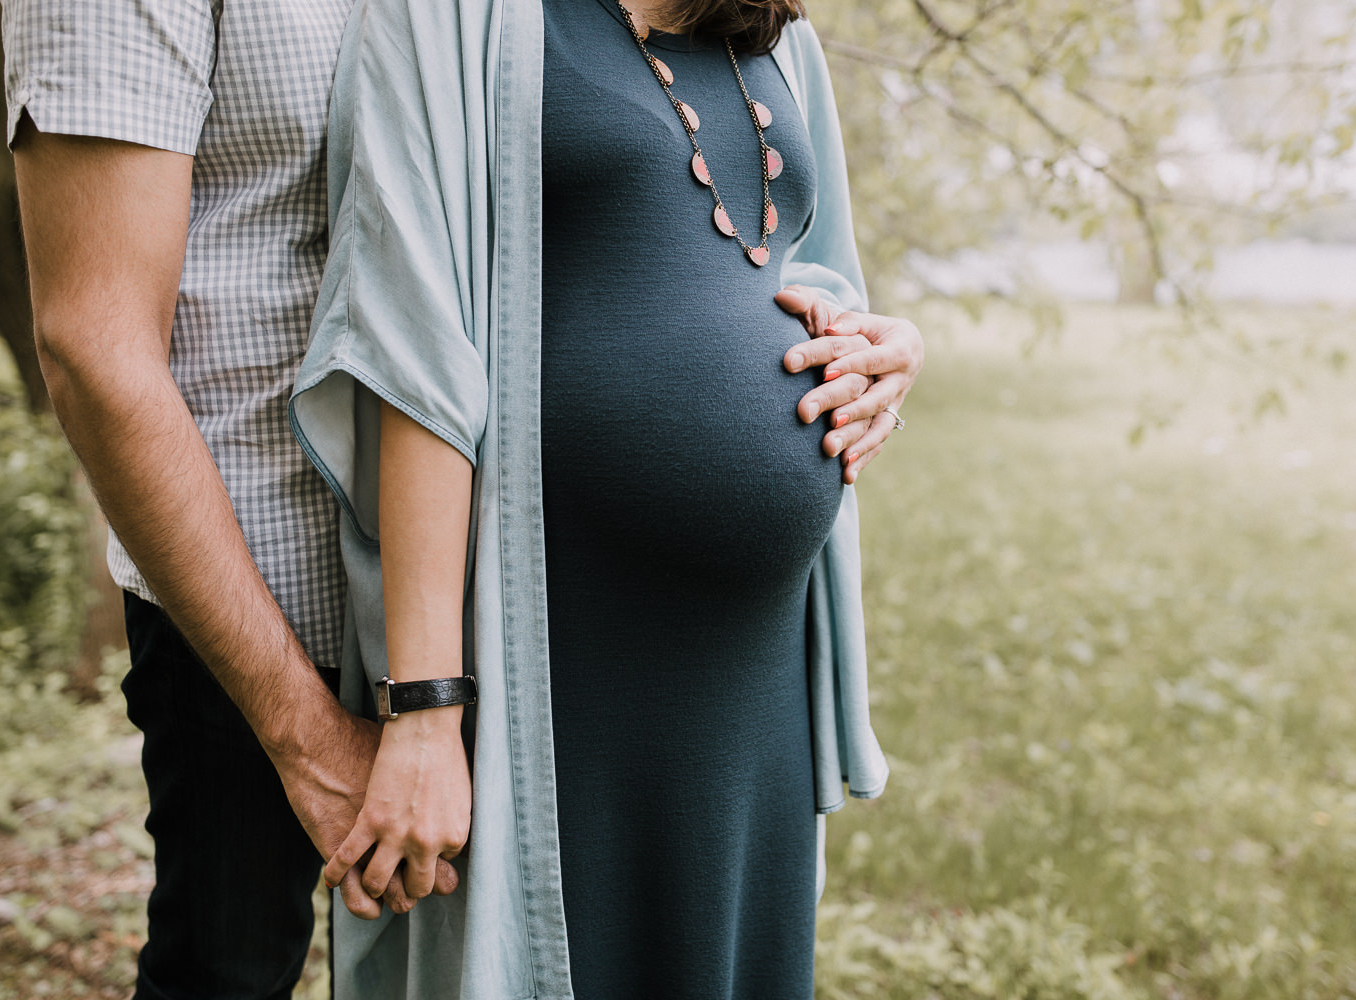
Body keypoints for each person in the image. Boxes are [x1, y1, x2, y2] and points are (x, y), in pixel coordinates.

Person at [1, 1, 923, 998]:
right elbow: (97, 348)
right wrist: (332, 729)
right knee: (231, 972)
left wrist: (868, 345)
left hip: (507, 605)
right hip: (260, 588)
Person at [289, 0, 917, 995]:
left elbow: (808, 262)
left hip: (750, 675)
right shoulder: (452, 18)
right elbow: (412, 353)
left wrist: (887, 349)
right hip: (565, 655)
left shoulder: (774, 33)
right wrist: (422, 709)